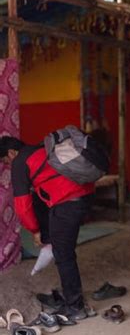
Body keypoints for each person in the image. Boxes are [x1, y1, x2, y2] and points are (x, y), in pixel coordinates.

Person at [0, 136, 95, 320]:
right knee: (60, 243)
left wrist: (34, 231)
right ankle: (69, 294)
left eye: (5, 161)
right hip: (84, 196)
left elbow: (22, 205)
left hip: (67, 203)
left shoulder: (20, 162)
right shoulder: (42, 149)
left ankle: (75, 307)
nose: (7, 164)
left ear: (11, 153)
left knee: (63, 254)